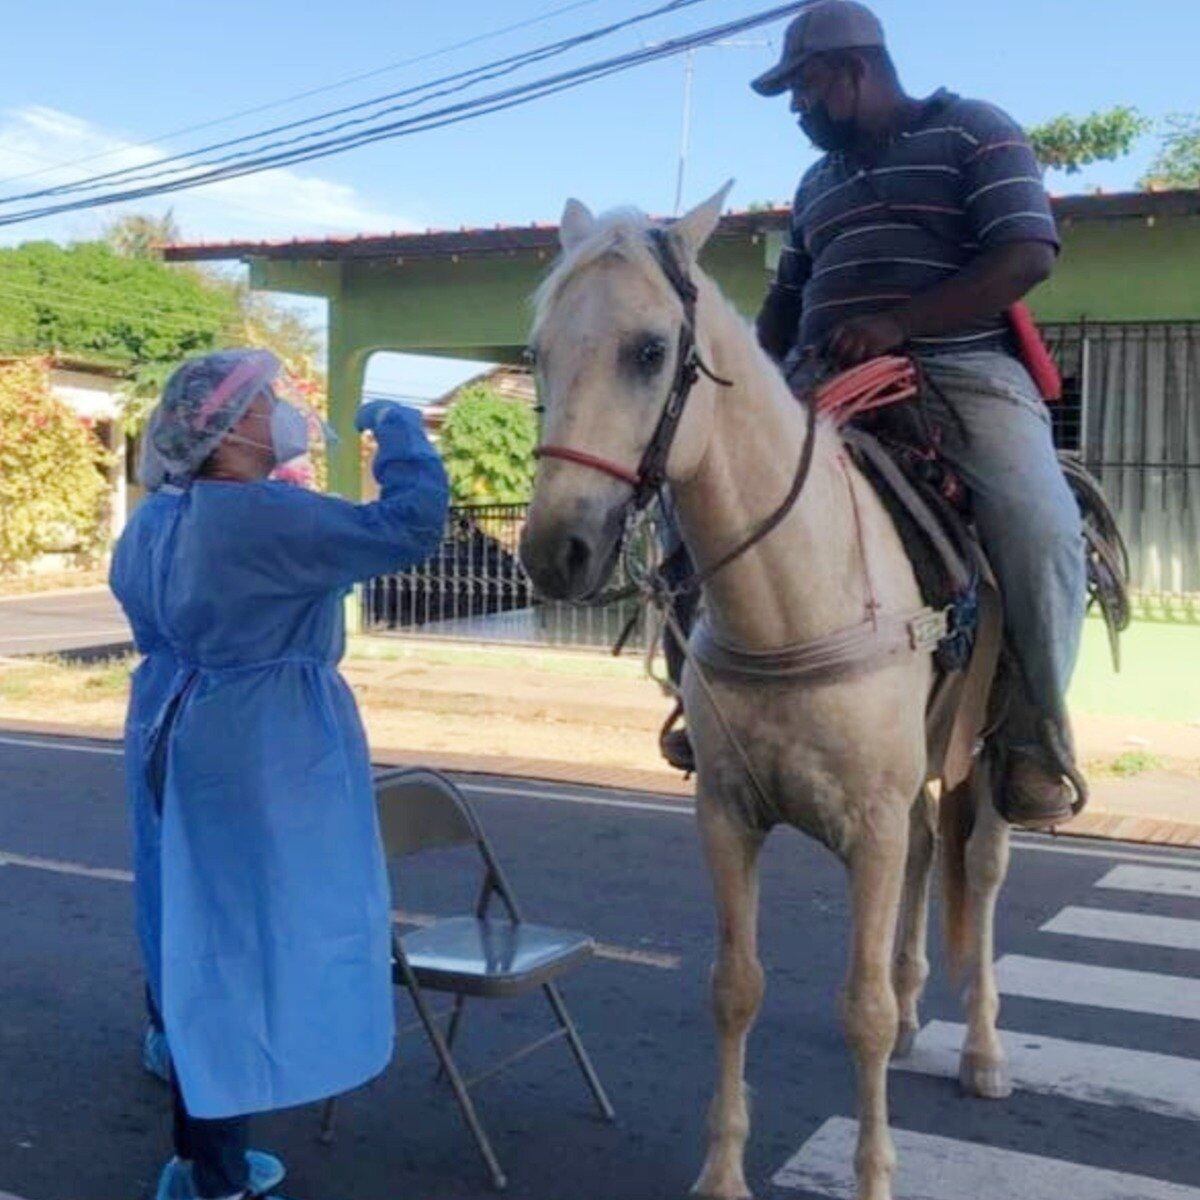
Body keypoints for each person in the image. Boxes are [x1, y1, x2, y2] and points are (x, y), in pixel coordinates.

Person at [665, 0, 1087, 830]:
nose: (797, 109)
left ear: (855, 71)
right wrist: (756, 388)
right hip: (822, 383)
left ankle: (1035, 737)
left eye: (805, 88)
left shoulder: (974, 130)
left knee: (1039, 524)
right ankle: (699, 694)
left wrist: (900, 323)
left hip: (959, 371)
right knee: (690, 500)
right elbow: (783, 308)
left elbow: (1026, 252)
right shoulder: (816, 186)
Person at [110, 349, 449, 1200]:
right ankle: (214, 1168)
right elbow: (411, 526)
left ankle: (181, 1069)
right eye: (264, 401)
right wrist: (403, 436)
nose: (281, 409)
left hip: (172, 718)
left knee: (183, 912)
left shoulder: (159, 516)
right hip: (257, 746)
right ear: (226, 432)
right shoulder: (260, 517)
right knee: (241, 938)